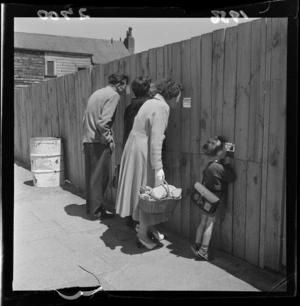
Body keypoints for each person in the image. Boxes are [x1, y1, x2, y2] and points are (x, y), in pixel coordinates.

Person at [115, 78, 183, 250]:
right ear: (173, 95)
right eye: (179, 97)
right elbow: (156, 140)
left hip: (135, 148)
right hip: (144, 151)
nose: (179, 100)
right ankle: (142, 235)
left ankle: (149, 228)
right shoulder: (162, 107)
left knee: (143, 190)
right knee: (149, 194)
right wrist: (158, 166)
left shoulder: (151, 102)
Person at [82, 73, 128, 219]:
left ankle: (92, 209)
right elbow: (103, 122)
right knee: (100, 178)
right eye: (125, 85)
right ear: (119, 85)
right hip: (99, 142)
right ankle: (96, 212)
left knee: (92, 177)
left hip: (88, 140)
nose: (125, 88)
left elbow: (85, 118)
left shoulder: (97, 93)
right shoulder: (113, 95)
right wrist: (109, 140)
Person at [191, 136, 236, 260]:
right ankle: (203, 252)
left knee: (202, 223)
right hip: (215, 201)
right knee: (210, 225)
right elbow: (231, 177)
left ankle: (197, 245)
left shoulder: (209, 166)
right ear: (221, 152)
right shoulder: (219, 168)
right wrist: (227, 164)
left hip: (206, 200)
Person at [122, 76, 152, 229]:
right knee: (143, 186)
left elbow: (126, 130)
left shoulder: (129, 107)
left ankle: (130, 218)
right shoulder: (149, 106)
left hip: (129, 148)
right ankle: (140, 224)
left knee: (131, 184)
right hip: (143, 150)